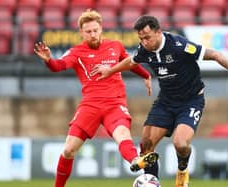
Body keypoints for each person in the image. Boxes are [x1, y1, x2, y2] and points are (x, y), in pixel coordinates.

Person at [90, 15, 228, 187]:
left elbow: (215, 54)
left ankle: (182, 170)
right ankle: (152, 183)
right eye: (141, 39)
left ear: (158, 32)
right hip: (166, 101)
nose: (144, 42)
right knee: (146, 145)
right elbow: (132, 61)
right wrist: (110, 70)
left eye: (147, 37)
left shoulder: (179, 46)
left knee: (180, 144)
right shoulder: (145, 49)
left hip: (191, 101)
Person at [34, 10, 158, 187]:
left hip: (115, 103)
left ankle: (136, 160)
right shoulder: (76, 52)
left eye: (95, 30)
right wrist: (48, 60)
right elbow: (59, 66)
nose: (93, 34)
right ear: (81, 33)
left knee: (123, 134)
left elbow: (129, 63)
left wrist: (145, 75)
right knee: (68, 150)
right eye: (88, 31)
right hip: (90, 105)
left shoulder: (115, 45)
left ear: (101, 29)